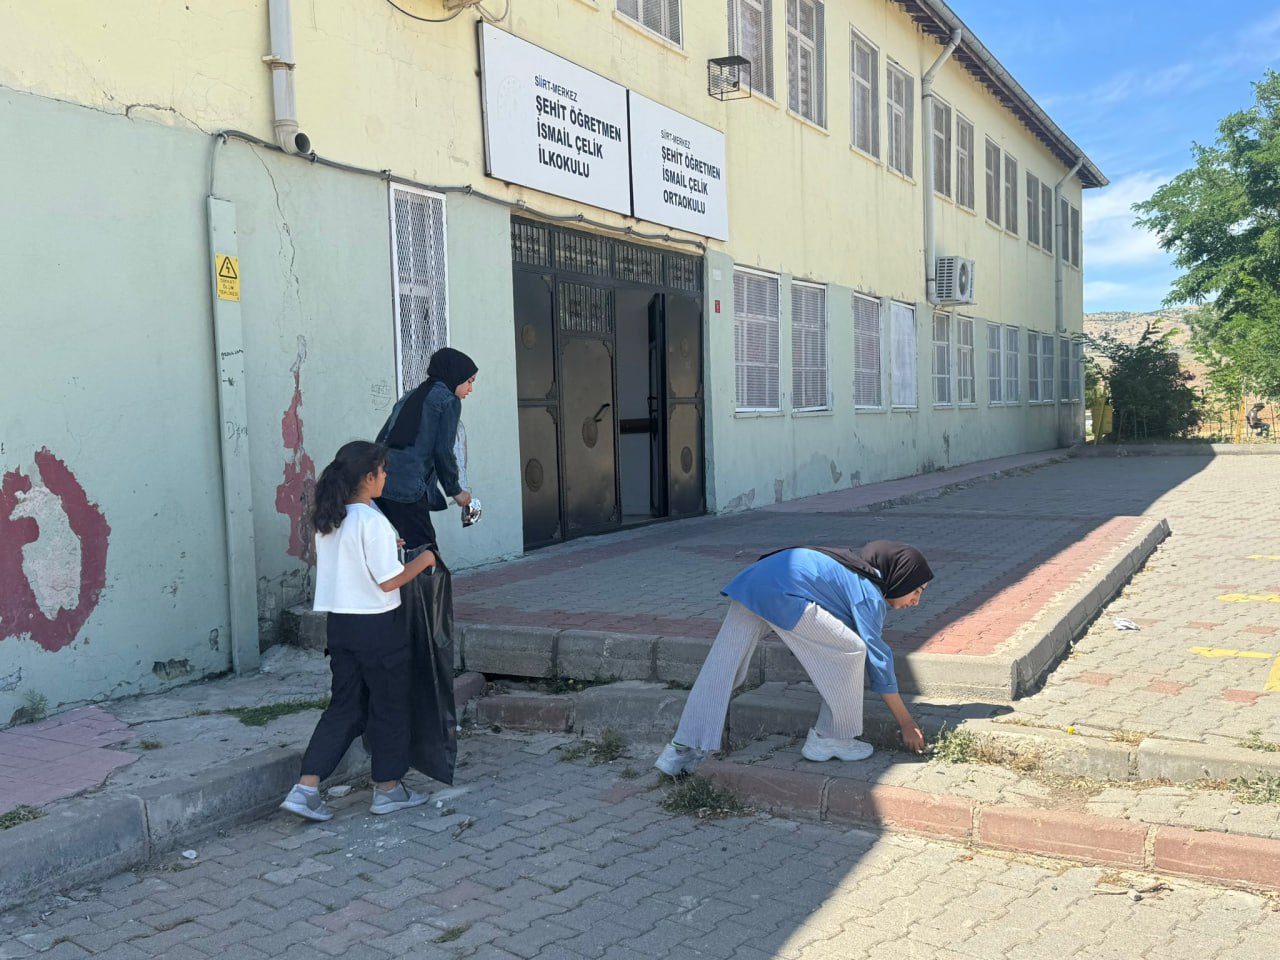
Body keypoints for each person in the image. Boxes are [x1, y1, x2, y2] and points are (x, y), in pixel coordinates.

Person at [654, 542, 934, 776]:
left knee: (723, 667)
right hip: (780, 592)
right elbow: (878, 660)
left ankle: (678, 752)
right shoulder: (868, 593)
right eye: (916, 590)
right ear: (900, 578)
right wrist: (907, 723)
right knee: (853, 652)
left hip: (753, 581)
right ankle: (831, 738)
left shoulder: (851, 568)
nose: (916, 601)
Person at [279, 440, 438, 822]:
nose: (386, 477)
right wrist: (425, 559)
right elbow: (387, 582)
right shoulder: (373, 520)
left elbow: (356, 565)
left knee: (345, 706)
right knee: (389, 706)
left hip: (340, 627)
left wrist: (391, 547)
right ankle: (387, 789)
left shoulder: (328, 521)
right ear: (369, 478)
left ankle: (307, 788)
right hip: (378, 628)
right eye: (382, 472)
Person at [375, 347, 478, 552]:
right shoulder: (449, 401)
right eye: (469, 381)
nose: (470, 389)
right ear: (455, 375)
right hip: (408, 488)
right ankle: (420, 585)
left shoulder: (411, 396)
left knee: (412, 545)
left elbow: (382, 440)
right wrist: (455, 490)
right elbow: (443, 450)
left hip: (380, 485)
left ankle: (407, 583)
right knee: (426, 552)